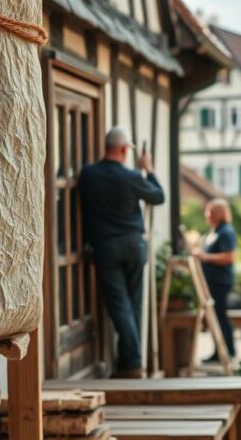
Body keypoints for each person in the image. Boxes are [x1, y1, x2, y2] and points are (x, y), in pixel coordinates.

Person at [79, 127, 164, 379]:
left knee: (119, 304)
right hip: (134, 244)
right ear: (125, 150)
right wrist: (148, 169)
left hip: (105, 246)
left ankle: (129, 362)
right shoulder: (132, 176)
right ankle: (133, 363)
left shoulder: (88, 175)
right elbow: (158, 196)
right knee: (133, 304)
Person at [192, 198, 238, 362]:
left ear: (220, 213)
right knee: (215, 317)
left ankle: (227, 351)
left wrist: (205, 257)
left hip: (220, 281)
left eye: (211, 211)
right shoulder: (213, 232)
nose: (207, 214)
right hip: (211, 281)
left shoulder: (225, 232)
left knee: (219, 316)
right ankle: (219, 351)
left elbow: (229, 257)